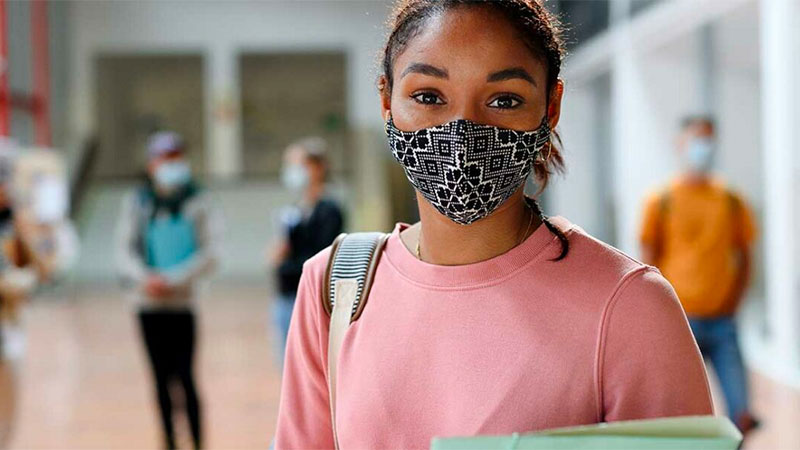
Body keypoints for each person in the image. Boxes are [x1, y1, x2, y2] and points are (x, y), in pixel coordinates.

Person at [274, 1, 713, 448]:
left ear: (550, 106)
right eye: (428, 96)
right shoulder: (336, 286)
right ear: (387, 101)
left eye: (505, 100)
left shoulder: (629, 306)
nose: (463, 131)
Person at [640, 116, 759, 434]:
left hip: (723, 323)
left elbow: (746, 257)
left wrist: (733, 301)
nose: (702, 149)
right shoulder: (660, 200)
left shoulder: (731, 199)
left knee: (741, 412)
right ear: (680, 144)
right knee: (678, 413)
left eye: (708, 141)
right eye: (696, 140)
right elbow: (648, 261)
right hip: (681, 323)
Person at [116, 131, 220, 450]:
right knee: (159, 379)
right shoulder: (138, 202)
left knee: (186, 377)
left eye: (175, 158)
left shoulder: (198, 201)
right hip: (147, 304)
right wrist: (145, 277)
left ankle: (198, 441)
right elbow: (124, 250)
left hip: (181, 304)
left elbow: (211, 252)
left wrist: (173, 280)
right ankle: (169, 441)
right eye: (163, 158)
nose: (169, 165)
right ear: (151, 164)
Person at [269, 138, 343, 365]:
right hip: (286, 293)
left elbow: (321, 256)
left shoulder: (328, 209)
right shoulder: (296, 208)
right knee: (288, 365)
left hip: (309, 296)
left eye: (298, 164)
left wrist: (286, 256)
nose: (293, 171)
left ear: (318, 167)